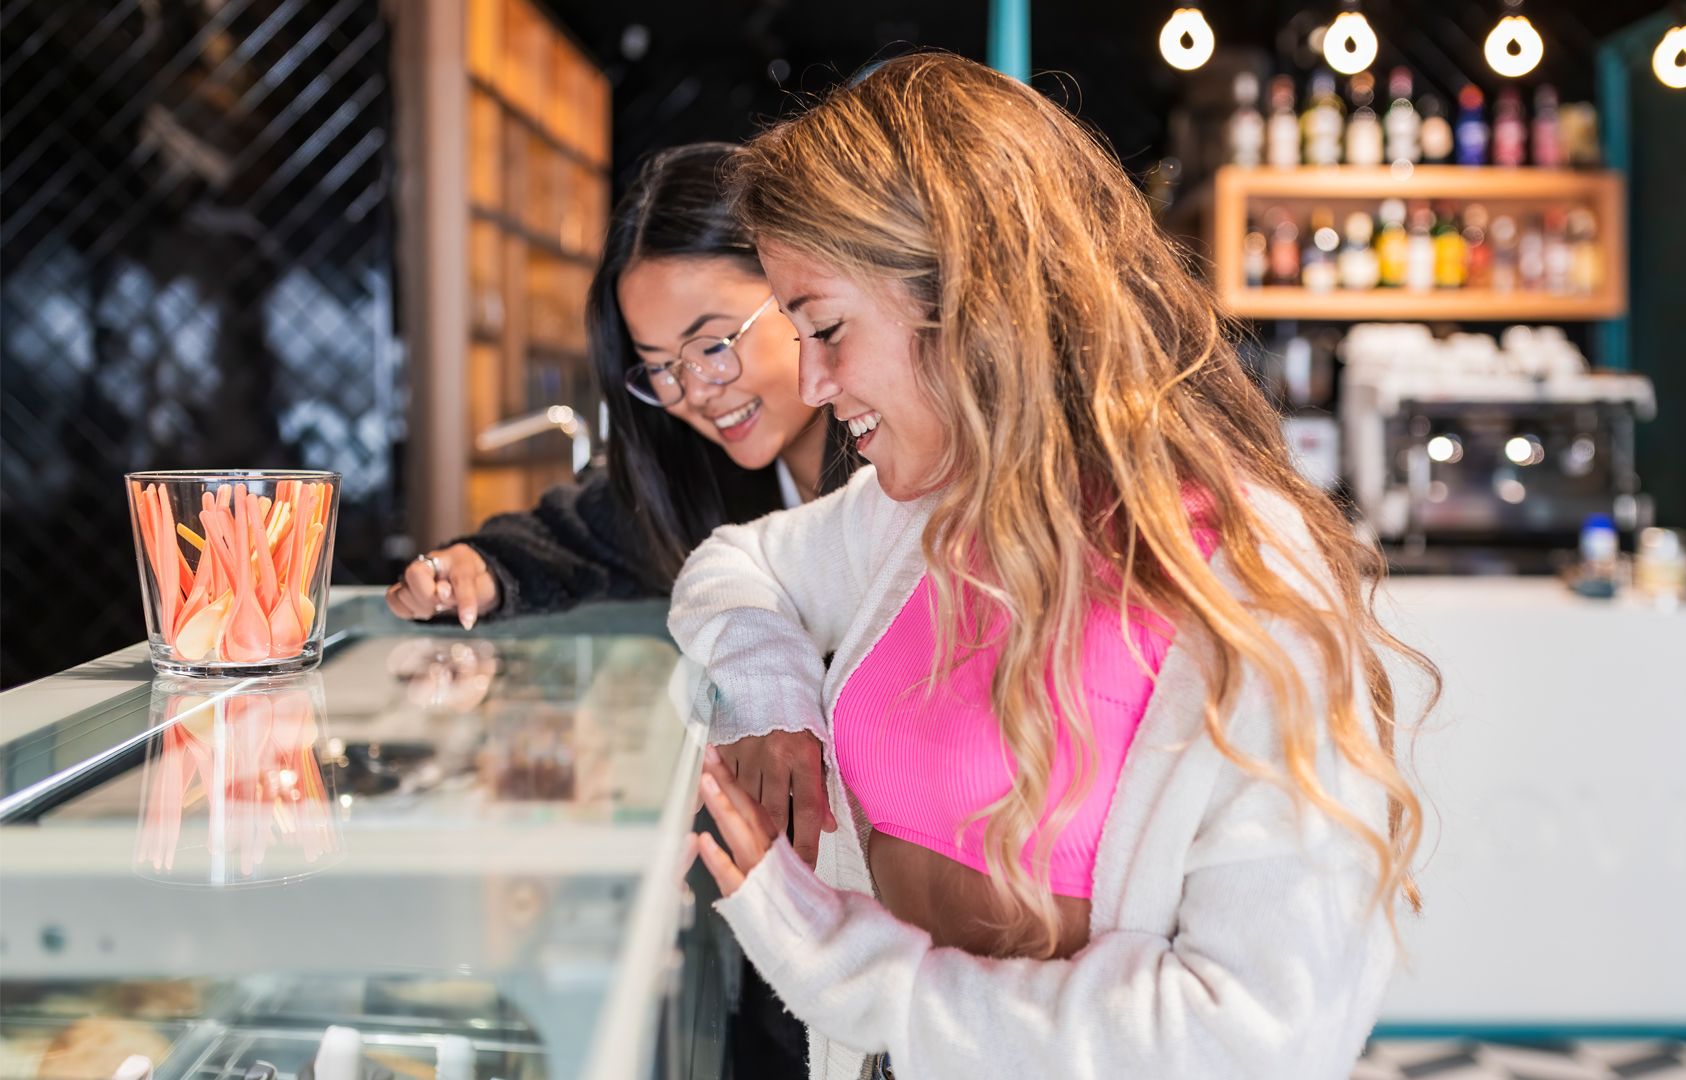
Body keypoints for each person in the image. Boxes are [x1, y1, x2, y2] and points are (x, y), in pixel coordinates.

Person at [670, 53, 1436, 1080]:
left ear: (972, 300)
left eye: (829, 327)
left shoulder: (1247, 585)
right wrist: (772, 697)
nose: (811, 380)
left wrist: (840, 965)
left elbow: (1256, 1038)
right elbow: (736, 569)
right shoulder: (922, 512)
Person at [384, 142, 847, 1076]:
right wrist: (472, 569)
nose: (695, 393)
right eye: (659, 369)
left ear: (800, 285)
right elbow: (575, 534)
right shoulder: (696, 477)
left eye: (713, 342)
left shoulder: (902, 446)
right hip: (777, 926)